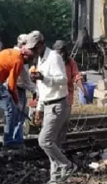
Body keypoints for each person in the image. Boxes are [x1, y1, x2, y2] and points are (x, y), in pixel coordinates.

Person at [28, 31, 75, 183]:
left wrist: (44, 77)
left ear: (42, 44)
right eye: (32, 49)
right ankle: (55, 179)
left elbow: (63, 79)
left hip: (58, 104)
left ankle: (67, 165)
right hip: (48, 104)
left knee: (44, 141)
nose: (33, 52)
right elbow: (42, 89)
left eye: (35, 48)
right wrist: (39, 109)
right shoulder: (40, 60)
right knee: (53, 145)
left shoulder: (54, 57)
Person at [0, 44, 30, 149]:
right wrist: (17, 102)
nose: (30, 61)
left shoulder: (11, 51)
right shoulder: (18, 61)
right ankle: (8, 141)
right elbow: (11, 85)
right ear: (25, 55)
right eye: (30, 58)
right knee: (11, 110)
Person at [13, 34, 36, 144]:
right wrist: (35, 89)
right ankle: (17, 140)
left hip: (19, 87)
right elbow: (24, 78)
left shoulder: (19, 54)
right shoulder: (19, 56)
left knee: (18, 115)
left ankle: (17, 138)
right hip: (18, 88)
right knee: (18, 116)